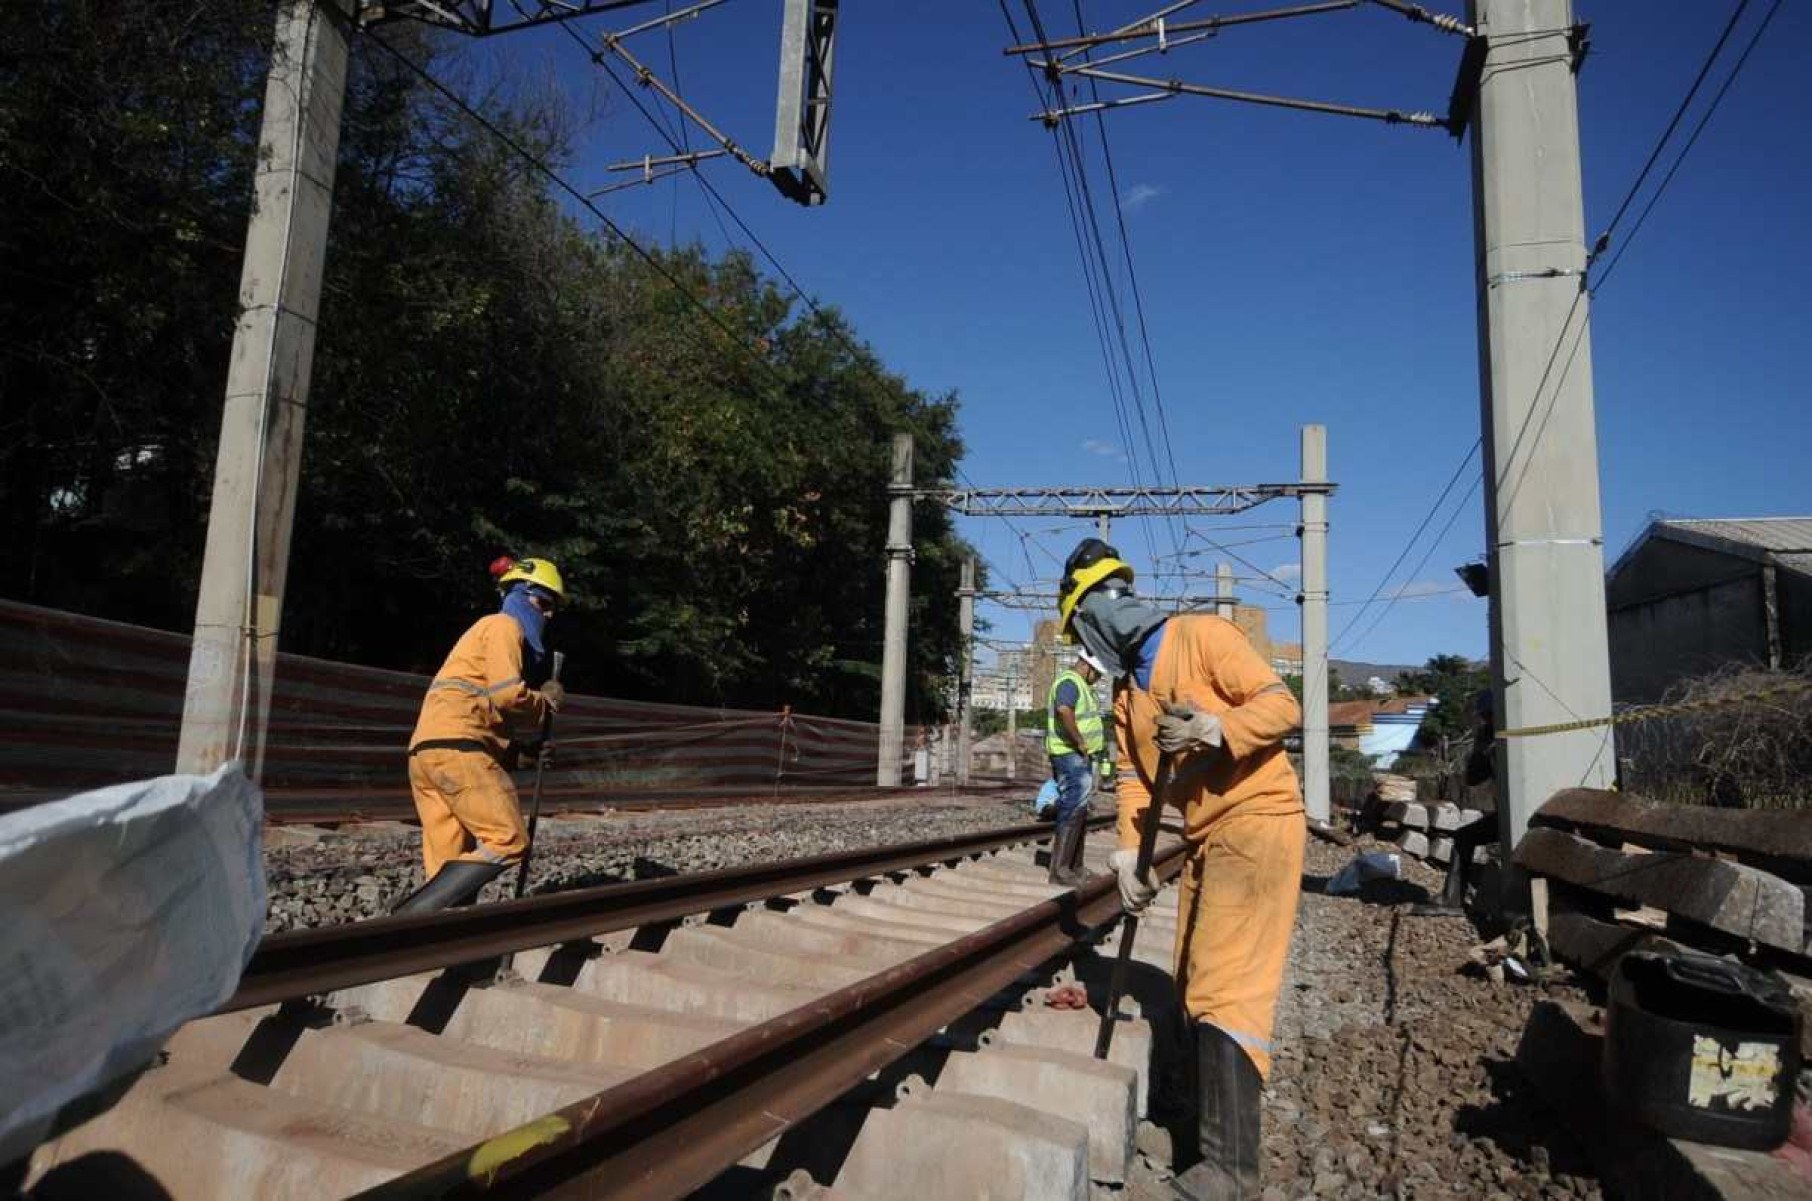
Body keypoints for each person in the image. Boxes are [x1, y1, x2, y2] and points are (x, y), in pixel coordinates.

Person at [1059, 538, 1303, 1199]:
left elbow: (1282, 705)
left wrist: (1215, 728)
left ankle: (1230, 1169)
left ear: (1092, 614)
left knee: (1227, 986)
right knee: (1193, 977)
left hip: (1258, 820)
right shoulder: (1124, 699)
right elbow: (1139, 784)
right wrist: (1129, 855)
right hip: (1205, 837)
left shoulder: (1203, 636)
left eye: (1079, 628)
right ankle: (1196, 1136)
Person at [390, 557, 568, 913]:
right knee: (508, 839)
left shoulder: (481, 636)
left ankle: (434, 946)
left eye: (553, 609)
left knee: (448, 863)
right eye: (544, 603)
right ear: (520, 594)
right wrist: (545, 702)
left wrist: (520, 753)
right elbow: (505, 694)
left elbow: (477, 711)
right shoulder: (504, 627)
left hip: (428, 755)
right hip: (458, 751)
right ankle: (412, 914)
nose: (548, 615)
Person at [1044, 648, 1108, 886]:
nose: (1098, 678)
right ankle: (1060, 871)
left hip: (1078, 756)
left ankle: (1075, 868)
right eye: (1098, 674)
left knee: (1079, 809)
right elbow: (1063, 709)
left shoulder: (1081, 685)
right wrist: (1079, 741)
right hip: (1070, 755)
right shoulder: (1070, 682)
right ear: (1088, 666)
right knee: (1072, 808)